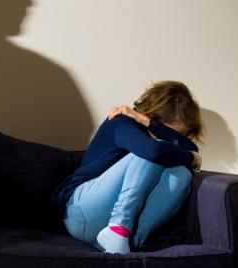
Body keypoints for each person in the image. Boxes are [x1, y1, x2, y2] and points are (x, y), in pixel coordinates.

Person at [50, 80, 205, 254]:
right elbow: (155, 151)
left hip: (114, 231)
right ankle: (119, 228)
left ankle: (131, 242)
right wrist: (186, 154)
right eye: (175, 134)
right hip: (81, 212)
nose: (174, 142)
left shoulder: (149, 125)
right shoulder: (121, 122)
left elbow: (192, 149)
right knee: (151, 153)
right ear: (156, 115)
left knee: (182, 173)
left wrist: (150, 123)